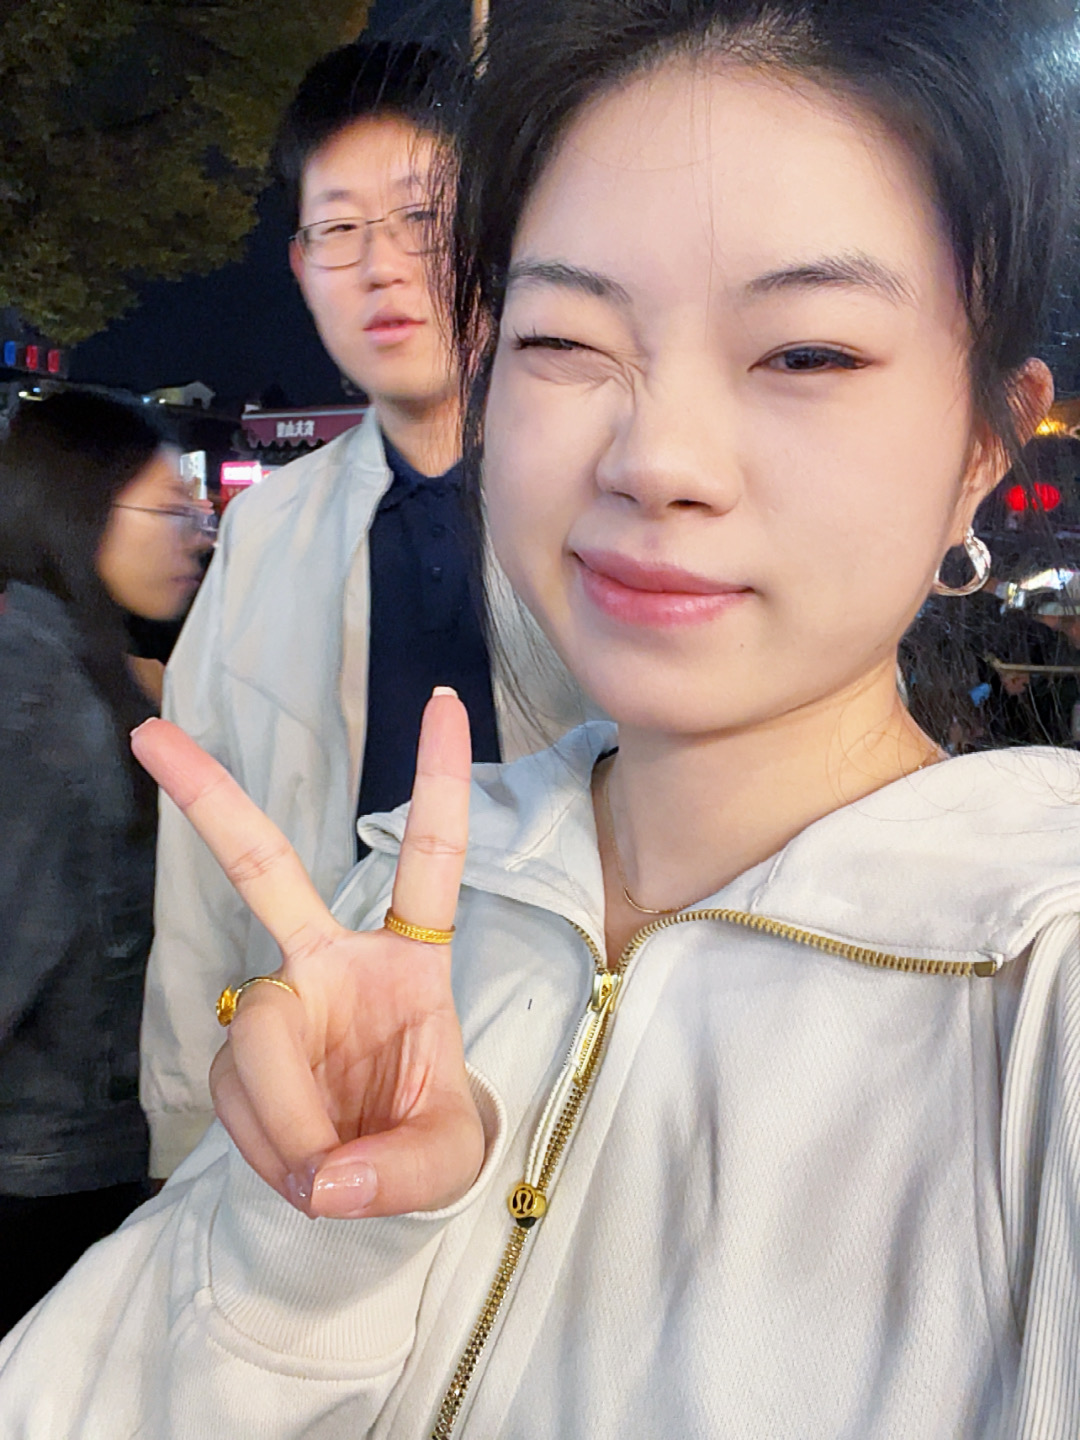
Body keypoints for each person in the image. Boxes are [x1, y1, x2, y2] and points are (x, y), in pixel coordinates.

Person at [3, 0, 1080, 1435]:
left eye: (807, 353)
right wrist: (302, 1246)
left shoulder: (1038, 989)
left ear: (987, 442)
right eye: (567, 339)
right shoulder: (413, 904)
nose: (659, 459)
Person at [140, 39, 589, 1178]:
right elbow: (201, 885)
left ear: (502, 231)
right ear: (300, 268)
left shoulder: (612, 508)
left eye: (424, 218)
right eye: (338, 229)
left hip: (579, 1104)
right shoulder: (262, 537)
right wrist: (184, 1149)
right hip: (328, 1098)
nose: (382, 265)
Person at [0, 390, 207, 1336]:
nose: (194, 536)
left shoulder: (84, 662)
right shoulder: (36, 693)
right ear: (80, 509)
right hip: (40, 1180)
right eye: (169, 509)